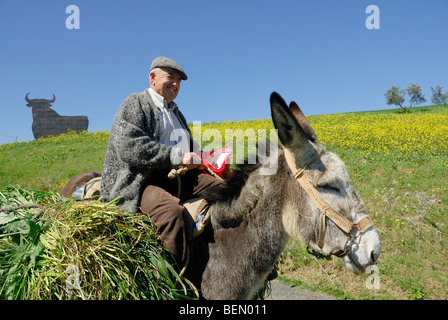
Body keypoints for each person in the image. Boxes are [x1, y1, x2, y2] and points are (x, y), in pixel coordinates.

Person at [100, 56, 221, 268]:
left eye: (179, 81)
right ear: (152, 77)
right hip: (143, 179)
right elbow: (130, 147)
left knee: (229, 190)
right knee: (172, 214)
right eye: (170, 77)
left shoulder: (176, 113)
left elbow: (189, 148)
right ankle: (170, 283)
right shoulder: (135, 103)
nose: (175, 84)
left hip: (180, 176)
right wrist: (178, 157)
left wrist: (207, 157)